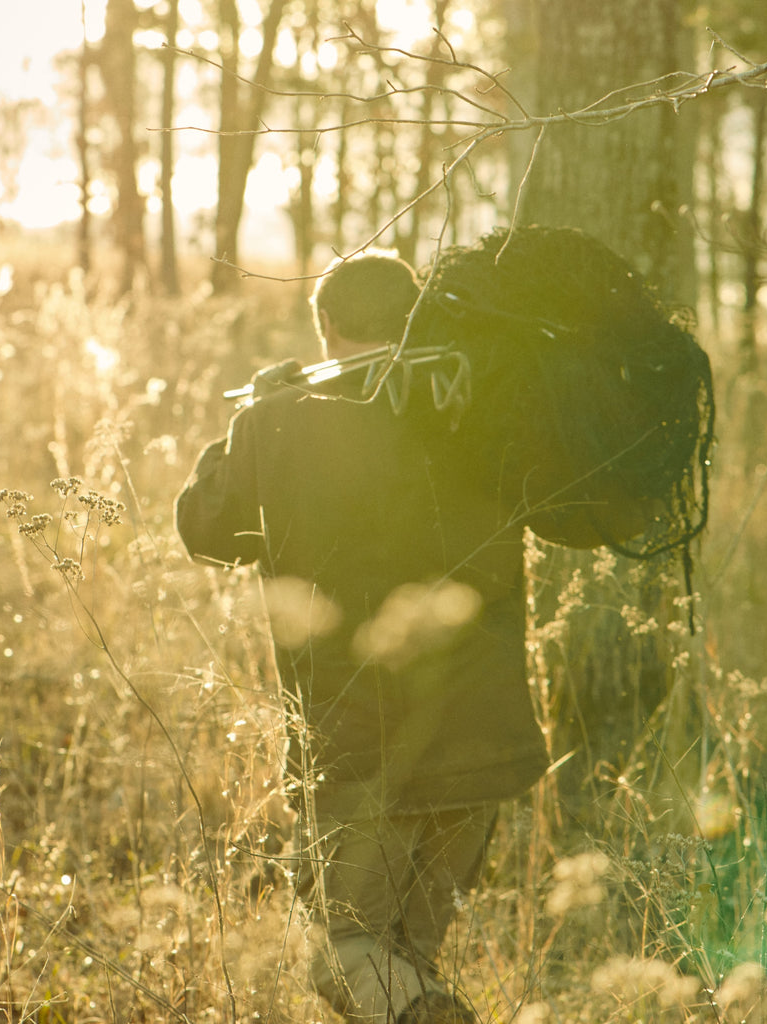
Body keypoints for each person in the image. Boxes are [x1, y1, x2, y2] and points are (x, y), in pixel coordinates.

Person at [175, 233, 712, 1024]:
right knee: (400, 969)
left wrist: (251, 415)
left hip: (360, 748)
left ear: (325, 325)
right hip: (482, 747)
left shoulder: (280, 420)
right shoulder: (488, 405)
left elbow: (205, 528)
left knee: (342, 954)